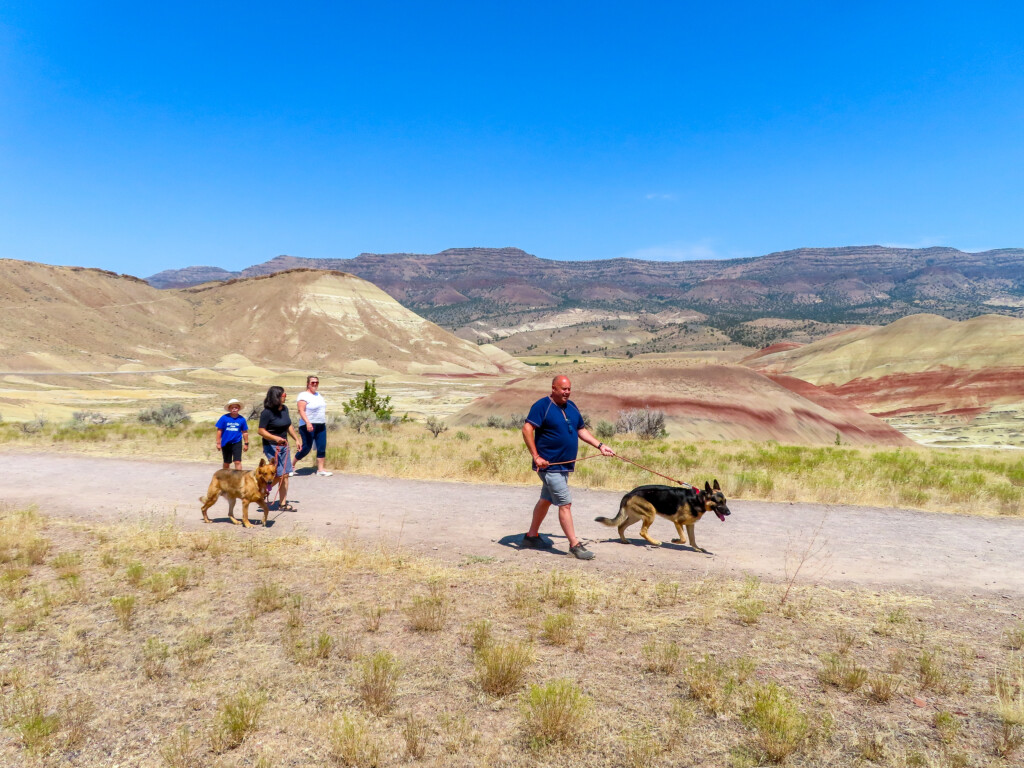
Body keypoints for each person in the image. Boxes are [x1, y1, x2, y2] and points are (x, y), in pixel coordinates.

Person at [521, 375, 615, 560]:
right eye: (563, 389)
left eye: (569, 389)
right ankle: (574, 545)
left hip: (565, 466)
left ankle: (531, 536)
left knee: (546, 499)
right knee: (565, 503)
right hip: (549, 466)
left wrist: (600, 445)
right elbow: (527, 429)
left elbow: (581, 430)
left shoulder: (571, 406)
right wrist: (536, 456)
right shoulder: (542, 406)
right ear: (553, 388)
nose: (567, 392)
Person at [257, 385, 301, 511]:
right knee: (280, 475)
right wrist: (275, 438)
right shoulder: (267, 412)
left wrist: (296, 439)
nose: (285, 396)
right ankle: (261, 490)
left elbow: (288, 426)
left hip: (284, 446)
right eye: (283, 394)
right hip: (271, 446)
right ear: (276, 396)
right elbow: (261, 431)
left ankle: (282, 504)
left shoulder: (285, 409)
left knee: (286, 474)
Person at [294, 374, 332, 476]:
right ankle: (291, 465)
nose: (315, 384)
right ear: (308, 384)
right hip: (308, 424)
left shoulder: (318, 395)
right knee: (306, 447)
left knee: (321, 446)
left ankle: (320, 470)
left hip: (320, 424)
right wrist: (307, 422)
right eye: (312, 382)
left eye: (316, 382)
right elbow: (301, 410)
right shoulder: (303, 395)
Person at [215, 398, 249, 470]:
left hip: (237, 442)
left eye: (236, 407)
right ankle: (225, 477)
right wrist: (218, 443)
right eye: (232, 407)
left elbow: (245, 432)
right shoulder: (224, 418)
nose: (234, 409)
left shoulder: (242, 419)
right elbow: (219, 430)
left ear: (238, 408)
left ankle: (239, 478)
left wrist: (246, 443)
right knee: (227, 462)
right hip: (226, 442)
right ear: (229, 409)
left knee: (237, 461)